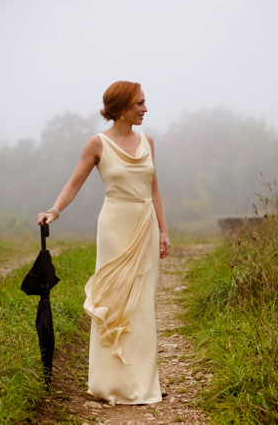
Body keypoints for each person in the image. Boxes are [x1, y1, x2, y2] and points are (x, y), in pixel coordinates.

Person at [36, 80, 170, 405]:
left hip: (146, 226)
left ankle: (142, 383)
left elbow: (153, 190)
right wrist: (54, 211)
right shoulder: (97, 144)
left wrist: (164, 231)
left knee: (142, 306)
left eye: (144, 103)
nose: (145, 109)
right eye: (139, 103)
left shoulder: (148, 142)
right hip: (114, 226)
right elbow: (74, 184)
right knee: (112, 301)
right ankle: (108, 384)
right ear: (123, 108)